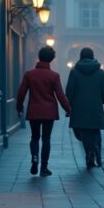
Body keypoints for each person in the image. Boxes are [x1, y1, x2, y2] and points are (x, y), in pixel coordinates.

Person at [16, 46, 71, 177]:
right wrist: (69, 110)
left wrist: (19, 107)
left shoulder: (29, 74)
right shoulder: (54, 76)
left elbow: (21, 93)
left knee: (35, 137)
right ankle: (44, 167)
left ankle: (34, 158)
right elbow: (60, 95)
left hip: (34, 110)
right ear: (51, 59)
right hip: (49, 112)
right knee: (46, 139)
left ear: (39, 57)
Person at [66, 47, 104, 169]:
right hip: (95, 110)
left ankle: (89, 152)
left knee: (82, 133)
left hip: (78, 110)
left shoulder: (74, 72)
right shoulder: (100, 73)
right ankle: (94, 152)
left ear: (80, 56)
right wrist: (98, 102)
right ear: (92, 56)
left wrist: (69, 106)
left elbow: (69, 91)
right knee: (95, 132)